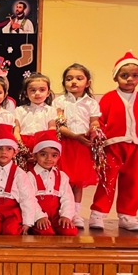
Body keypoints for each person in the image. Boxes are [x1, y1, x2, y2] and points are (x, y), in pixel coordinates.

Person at [90, 52, 138, 232]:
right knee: (107, 180)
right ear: (115, 77)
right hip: (112, 146)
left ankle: (128, 215)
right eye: (124, 75)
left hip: (136, 147)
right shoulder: (108, 98)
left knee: (133, 182)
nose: (129, 79)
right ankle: (98, 213)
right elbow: (100, 121)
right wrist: (99, 143)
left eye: (134, 75)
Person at [53, 63, 101, 228]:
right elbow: (58, 125)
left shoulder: (91, 103)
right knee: (64, 181)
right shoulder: (59, 102)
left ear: (87, 83)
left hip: (82, 146)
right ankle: (62, 211)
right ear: (64, 82)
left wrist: (94, 130)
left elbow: (94, 122)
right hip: (64, 144)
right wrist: (74, 136)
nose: (73, 82)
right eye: (69, 79)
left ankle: (75, 213)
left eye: (79, 78)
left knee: (78, 182)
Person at [27, 130, 78, 236]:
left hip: (56, 217)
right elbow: (29, 200)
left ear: (59, 157)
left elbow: (68, 198)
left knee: (69, 231)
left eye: (54, 155)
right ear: (35, 156)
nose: (49, 159)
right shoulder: (30, 176)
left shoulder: (62, 176)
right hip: (38, 217)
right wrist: (39, 217)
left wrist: (66, 216)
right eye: (43, 154)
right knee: (46, 233)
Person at [14, 72, 57, 153]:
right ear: (26, 93)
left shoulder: (51, 110)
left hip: (43, 144)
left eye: (42, 90)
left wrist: (46, 147)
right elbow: (16, 131)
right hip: (23, 144)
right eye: (33, 90)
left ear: (48, 93)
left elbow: (52, 130)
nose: (37, 93)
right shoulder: (19, 110)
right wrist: (21, 146)